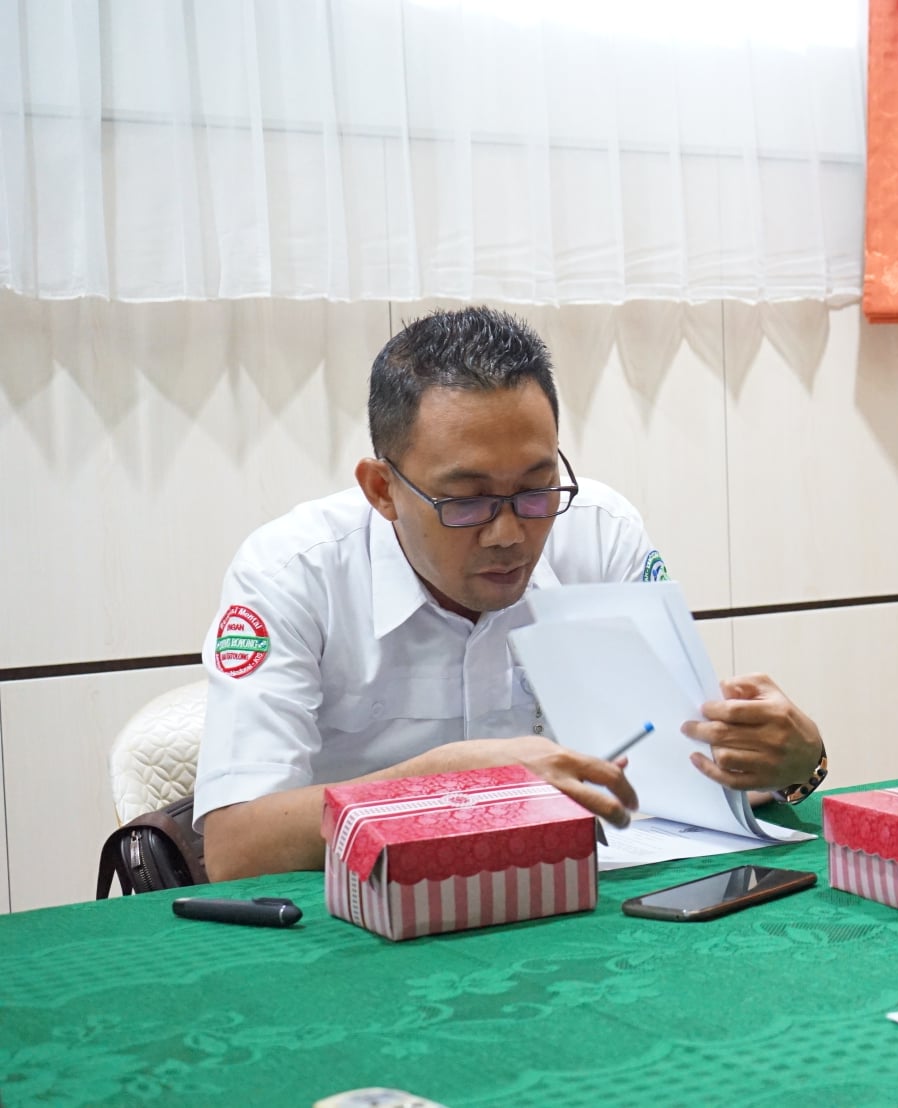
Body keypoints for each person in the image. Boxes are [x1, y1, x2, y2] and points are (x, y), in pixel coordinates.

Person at [194, 307, 829, 881]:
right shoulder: (292, 572)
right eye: (465, 501)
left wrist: (794, 764)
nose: (508, 534)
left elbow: (673, 770)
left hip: (567, 900)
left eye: (536, 489)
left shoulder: (601, 537)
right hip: (365, 917)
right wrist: (454, 786)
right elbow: (236, 848)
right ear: (382, 489)